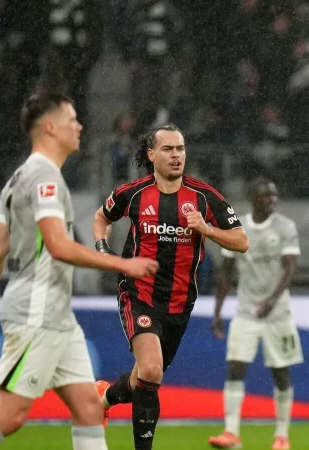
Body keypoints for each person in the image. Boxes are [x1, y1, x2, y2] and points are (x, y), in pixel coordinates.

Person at [0, 93, 158, 450]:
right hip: (36, 314)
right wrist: (123, 263)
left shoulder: (18, 178)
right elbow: (58, 245)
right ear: (50, 127)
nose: (79, 126)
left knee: (90, 409)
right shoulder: (43, 177)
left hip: (58, 319)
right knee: (10, 416)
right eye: (71, 119)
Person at [92, 124, 249, 450]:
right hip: (138, 292)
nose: (176, 155)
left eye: (180, 149)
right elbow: (101, 218)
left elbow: (242, 241)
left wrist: (207, 229)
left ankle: (102, 399)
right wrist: (103, 251)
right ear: (151, 155)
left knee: (143, 379)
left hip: (179, 302)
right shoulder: (133, 193)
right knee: (151, 370)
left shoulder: (204, 197)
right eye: (168, 149)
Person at [208, 178, 302, 450]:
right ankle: (231, 433)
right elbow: (226, 272)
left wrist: (272, 300)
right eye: (266, 196)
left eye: (274, 195)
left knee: (280, 372)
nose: (272, 200)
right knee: (235, 367)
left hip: (278, 314)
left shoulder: (285, 227)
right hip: (246, 311)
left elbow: (290, 268)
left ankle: (281, 436)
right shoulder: (237, 229)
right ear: (253, 199)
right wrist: (217, 312)